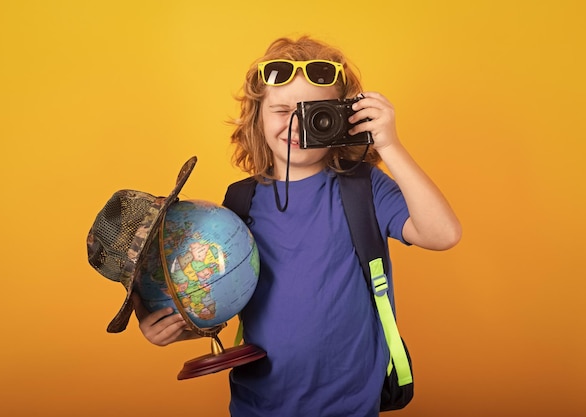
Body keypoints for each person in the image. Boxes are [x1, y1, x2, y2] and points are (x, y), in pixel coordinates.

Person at [133, 35, 461, 416]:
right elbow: (221, 297)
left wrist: (390, 145)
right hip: (259, 405)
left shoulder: (363, 187)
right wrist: (173, 329)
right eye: (281, 109)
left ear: (345, 118)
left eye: (316, 112)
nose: (296, 124)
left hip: (350, 404)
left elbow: (444, 234)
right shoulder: (239, 202)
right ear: (257, 116)